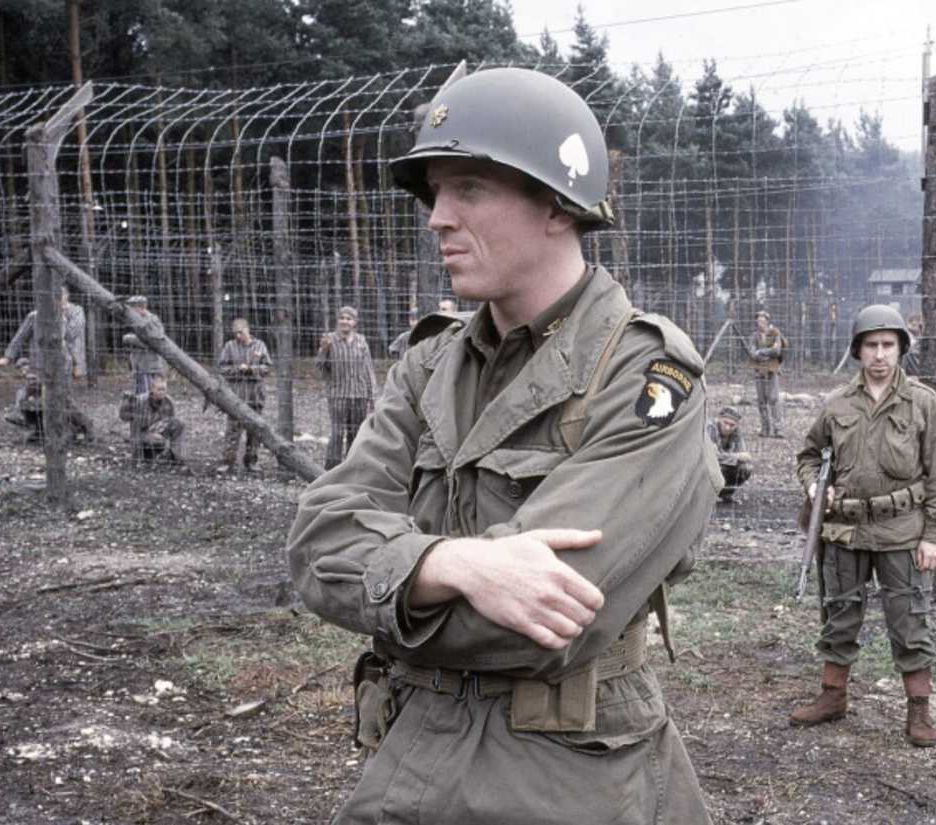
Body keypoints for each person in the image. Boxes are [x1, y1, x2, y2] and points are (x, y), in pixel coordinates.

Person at [287, 66, 719, 825]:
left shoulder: (647, 372)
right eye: (434, 193)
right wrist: (451, 563)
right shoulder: (431, 362)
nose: (436, 218)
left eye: (469, 190)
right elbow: (317, 544)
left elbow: (552, 618)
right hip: (408, 754)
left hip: (564, 777)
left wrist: (390, 587)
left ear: (558, 203)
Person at [791, 304, 936, 748]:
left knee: (909, 622)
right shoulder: (837, 403)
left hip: (903, 529)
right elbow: (809, 456)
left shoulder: (923, 402)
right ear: (858, 351)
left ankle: (918, 711)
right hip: (845, 531)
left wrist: (935, 536)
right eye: (871, 345)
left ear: (901, 348)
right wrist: (814, 488)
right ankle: (833, 696)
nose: (880, 355)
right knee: (839, 615)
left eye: (888, 345)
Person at [0, 286, 92, 441]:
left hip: (63, 364)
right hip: (38, 363)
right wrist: (8, 357)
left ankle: (81, 427)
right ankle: (37, 429)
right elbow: (21, 335)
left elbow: (72, 336)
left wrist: (78, 365)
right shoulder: (35, 315)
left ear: (65, 297)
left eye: (59, 297)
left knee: (60, 399)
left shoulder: (75, 312)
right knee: (30, 395)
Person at [316, 305, 376, 469]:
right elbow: (320, 366)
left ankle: (351, 467)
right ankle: (331, 469)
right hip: (338, 395)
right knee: (337, 433)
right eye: (342, 318)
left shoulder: (361, 341)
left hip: (359, 395)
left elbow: (368, 368)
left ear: (354, 322)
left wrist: (373, 396)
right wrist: (324, 350)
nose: (345, 321)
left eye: (348, 319)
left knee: (355, 433)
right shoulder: (329, 339)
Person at [216, 318, 272, 471]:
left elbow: (267, 368)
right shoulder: (229, 346)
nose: (238, 336)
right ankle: (228, 462)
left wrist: (252, 369)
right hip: (236, 396)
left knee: (254, 430)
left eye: (241, 332)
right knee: (233, 430)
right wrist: (237, 370)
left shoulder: (260, 345)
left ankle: (251, 461)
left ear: (248, 330)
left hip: (256, 396)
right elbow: (222, 368)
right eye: (235, 333)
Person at [119, 377, 185, 464]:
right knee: (154, 440)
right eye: (159, 389)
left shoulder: (169, 402)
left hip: (159, 430)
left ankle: (175, 457)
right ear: (152, 389)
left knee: (179, 423)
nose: (162, 392)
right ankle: (143, 455)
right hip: (141, 433)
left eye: (164, 389)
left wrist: (161, 433)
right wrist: (126, 404)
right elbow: (124, 417)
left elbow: (172, 422)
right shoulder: (140, 401)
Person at [751, 309, 788, 438]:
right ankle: (765, 429)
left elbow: (777, 351)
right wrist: (766, 352)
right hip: (759, 371)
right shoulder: (754, 336)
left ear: (767, 321)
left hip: (772, 370)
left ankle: (778, 430)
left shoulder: (775, 333)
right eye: (758, 320)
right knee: (761, 401)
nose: (759, 323)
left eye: (762, 320)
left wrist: (761, 352)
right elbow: (752, 353)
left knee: (774, 399)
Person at [120, 295, 166, 396]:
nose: (130, 312)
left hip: (150, 367)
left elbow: (153, 342)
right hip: (139, 366)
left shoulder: (152, 321)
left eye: (132, 308)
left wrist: (129, 339)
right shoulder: (136, 321)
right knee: (139, 398)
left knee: (150, 396)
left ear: (141, 308)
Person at [708, 406, 753, 503]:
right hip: (706, 467)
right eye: (725, 423)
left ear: (737, 425)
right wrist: (736, 457)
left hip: (724, 465)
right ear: (720, 419)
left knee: (746, 468)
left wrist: (738, 457)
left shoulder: (737, 433)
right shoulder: (710, 429)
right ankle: (708, 495)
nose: (728, 427)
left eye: (732, 425)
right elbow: (711, 456)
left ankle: (726, 493)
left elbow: (744, 456)